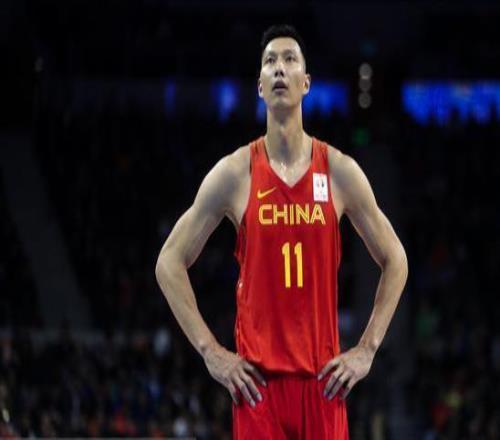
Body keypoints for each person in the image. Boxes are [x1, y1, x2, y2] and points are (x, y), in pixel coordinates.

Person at [155, 24, 408, 439]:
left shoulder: (340, 171)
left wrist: (366, 350)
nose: (279, 68)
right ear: (259, 86)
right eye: (270, 61)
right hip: (258, 390)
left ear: (305, 82)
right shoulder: (235, 173)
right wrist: (211, 352)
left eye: (290, 59)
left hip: (323, 386)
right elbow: (168, 261)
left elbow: (396, 259)